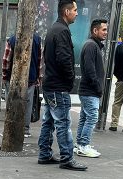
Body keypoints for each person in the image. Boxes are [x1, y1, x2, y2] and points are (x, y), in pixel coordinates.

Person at [37, 0, 86, 170]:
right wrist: (70, 79)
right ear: (66, 12)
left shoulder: (53, 29)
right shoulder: (62, 31)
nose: (77, 13)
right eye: (75, 10)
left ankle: (44, 153)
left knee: (49, 121)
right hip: (58, 86)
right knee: (63, 123)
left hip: (50, 84)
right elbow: (64, 59)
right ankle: (67, 158)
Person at [76, 19, 108, 157]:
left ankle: (80, 144)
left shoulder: (92, 45)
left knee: (85, 117)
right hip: (90, 90)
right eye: (103, 30)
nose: (106, 32)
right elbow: (90, 70)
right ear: (95, 31)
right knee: (92, 118)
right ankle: (83, 145)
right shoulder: (91, 46)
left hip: (88, 90)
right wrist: (98, 87)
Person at [2, 32, 42, 138]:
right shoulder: (37, 39)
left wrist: (5, 75)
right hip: (31, 78)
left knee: (11, 103)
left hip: (13, 77)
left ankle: (10, 128)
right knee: (28, 104)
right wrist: (38, 77)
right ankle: (25, 129)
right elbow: (39, 61)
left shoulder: (12, 39)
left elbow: (6, 60)